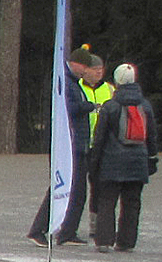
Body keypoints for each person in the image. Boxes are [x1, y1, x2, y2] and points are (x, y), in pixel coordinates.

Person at [29, 45, 111, 244]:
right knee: (61, 187)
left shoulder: (73, 83)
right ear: (75, 64)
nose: (85, 71)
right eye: (84, 67)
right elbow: (66, 108)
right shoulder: (65, 82)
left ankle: (67, 231)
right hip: (69, 145)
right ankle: (38, 229)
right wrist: (90, 107)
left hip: (78, 144)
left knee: (78, 190)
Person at [87, 61, 160, 252]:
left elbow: (99, 138)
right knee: (132, 203)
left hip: (111, 163)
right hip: (138, 163)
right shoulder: (145, 106)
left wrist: (94, 165)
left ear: (117, 81)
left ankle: (104, 241)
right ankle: (126, 242)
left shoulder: (110, 107)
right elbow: (151, 136)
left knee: (107, 201)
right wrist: (152, 159)